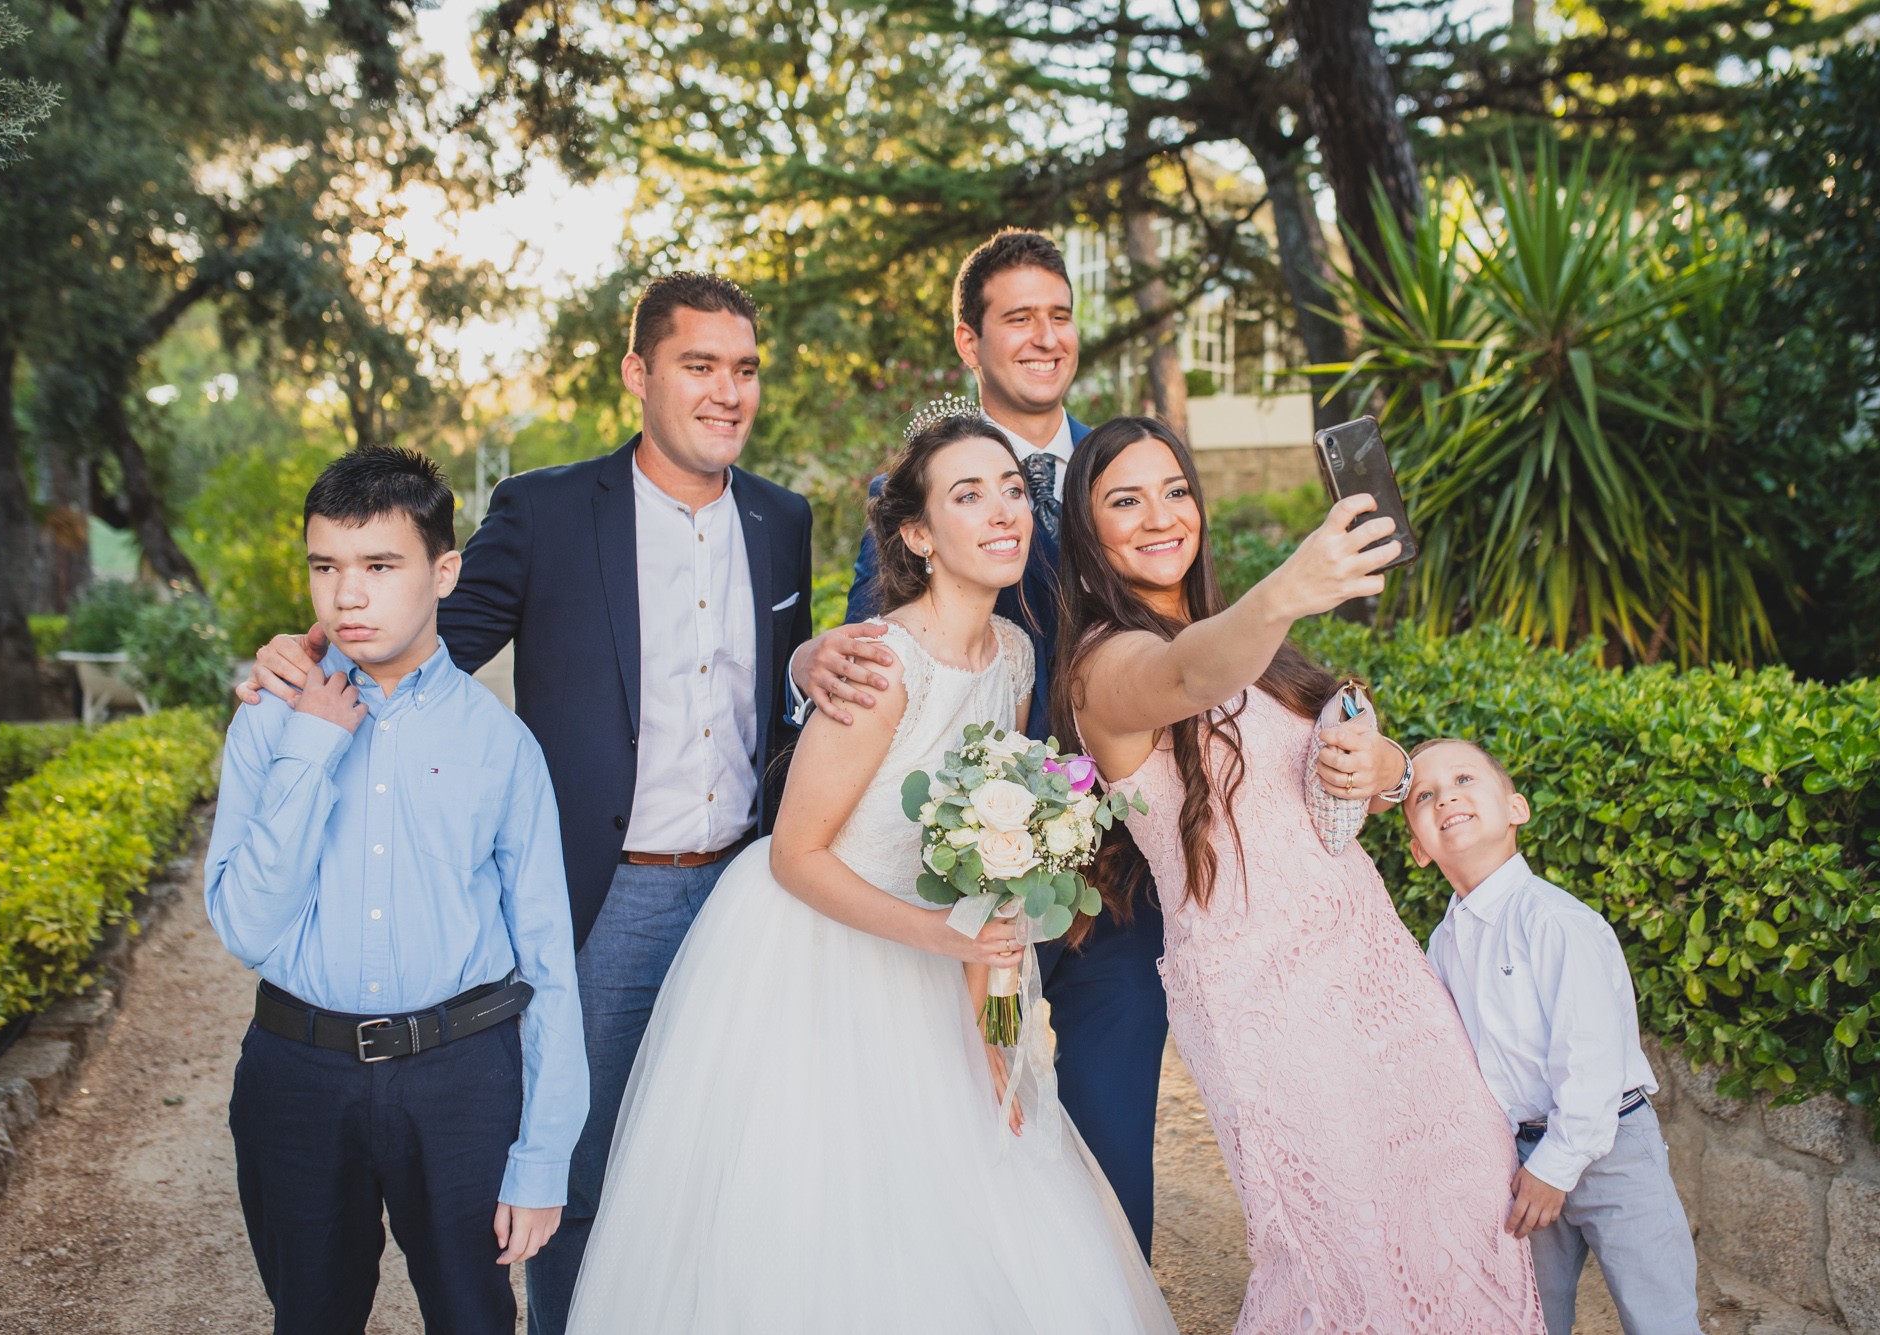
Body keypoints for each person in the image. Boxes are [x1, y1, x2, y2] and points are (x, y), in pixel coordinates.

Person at [238, 273, 815, 1332]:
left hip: (746, 891)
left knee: (734, 1151)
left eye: (743, 370)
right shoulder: (547, 510)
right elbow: (418, 646)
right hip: (605, 895)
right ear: (639, 374)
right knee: (574, 1168)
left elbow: (781, 703)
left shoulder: (784, 520)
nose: (726, 392)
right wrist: (302, 658)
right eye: (698, 366)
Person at [564, 409, 1177, 1334]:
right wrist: (940, 933)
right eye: (968, 495)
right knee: (825, 1220)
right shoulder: (881, 663)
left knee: (978, 1195)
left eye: (1013, 488)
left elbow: (996, 872)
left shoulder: (1016, 658)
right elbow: (794, 854)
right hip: (815, 957)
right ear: (918, 535)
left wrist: (1002, 1039)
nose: (1004, 510)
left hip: (939, 957)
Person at [1057, 417, 1542, 1334]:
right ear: (1088, 532)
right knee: (1339, 1245)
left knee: (1464, 1180)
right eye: (1125, 499)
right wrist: (1287, 587)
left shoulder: (1257, 647)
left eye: (1175, 490)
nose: (1161, 515)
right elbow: (1190, 673)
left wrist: (1380, 763)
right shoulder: (1106, 668)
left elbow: (1364, 761)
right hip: (1259, 993)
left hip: (1374, 965)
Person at [790, 229, 1168, 1251]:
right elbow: (876, 657)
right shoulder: (916, 491)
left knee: (1105, 1128)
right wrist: (804, 671)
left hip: (1111, 876)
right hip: (956, 876)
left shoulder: (1123, 470)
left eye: (1059, 313)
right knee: (958, 1116)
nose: (1044, 336)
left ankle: (1106, 1300)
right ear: (970, 339)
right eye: (1017, 317)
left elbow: (1177, 629)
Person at [205, 446, 588, 1334]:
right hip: (295, 1072)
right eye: (326, 567)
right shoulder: (268, 722)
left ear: (443, 570)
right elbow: (247, 925)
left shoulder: (503, 747)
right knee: (309, 1315)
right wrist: (308, 746)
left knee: (473, 1317)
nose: (348, 596)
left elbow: (547, 964)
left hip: (460, 1080)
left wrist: (540, 1160)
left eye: (380, 566)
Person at [1405, 739, 1700, 1335]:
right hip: (1517, 1157)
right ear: (1417, 849)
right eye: (1424, 795)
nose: (1447, 798)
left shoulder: (1557, 922)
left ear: (1517, 809)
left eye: (1465, 779)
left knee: (1659, 1314)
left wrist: (1557, 1166)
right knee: (1531, 1316)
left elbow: (1589, 1061)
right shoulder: (1443, 944)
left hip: (1613, 1145)